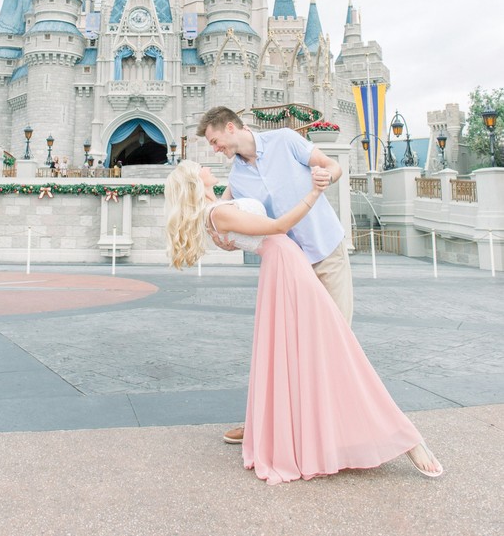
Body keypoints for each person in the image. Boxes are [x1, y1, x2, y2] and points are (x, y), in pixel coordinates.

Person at [165, 161, 443, 485]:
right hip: (286, 263)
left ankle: (315, 433)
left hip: (284, 265)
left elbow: (239, 190)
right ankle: (406, 438)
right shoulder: (216, 214)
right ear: (194, 180)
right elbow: (279, 226)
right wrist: (314, 193)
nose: (205, 164)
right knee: (339, 346)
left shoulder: (217, 205)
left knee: (318, 349)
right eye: (198, 166)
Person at [197, 105, 353, 445]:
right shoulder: (236, 178)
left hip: (327, 251)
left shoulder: (285, 140)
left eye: (214, 141)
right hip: (291, 267)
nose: (214, 149)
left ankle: (343, 426)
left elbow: (331, 165)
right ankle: (267, 424)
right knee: (286, 347)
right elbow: (230, 217)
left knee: (338, 339)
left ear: (229, 127)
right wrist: (226, 241)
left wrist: (328, 175)